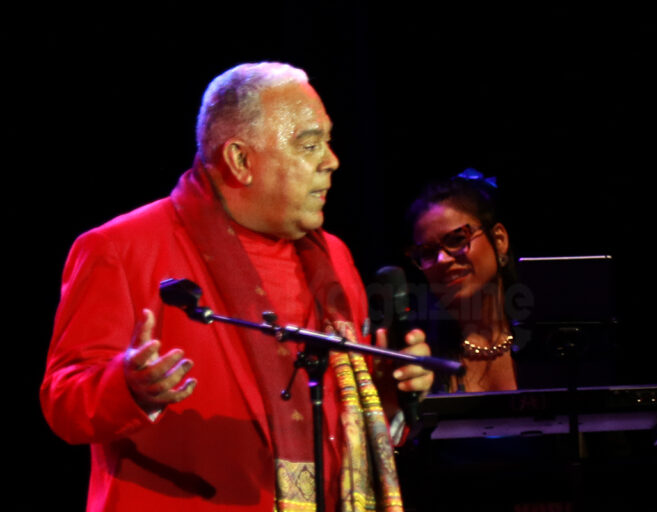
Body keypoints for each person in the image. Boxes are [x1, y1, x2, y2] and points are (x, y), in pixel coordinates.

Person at [40, 62, 433, 512]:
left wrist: (387, 394)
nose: (331, 160)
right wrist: (129, 388)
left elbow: (341, 427)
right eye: (310, 145)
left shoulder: (334, 258)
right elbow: (63, 402)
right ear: (240, 161)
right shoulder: (119, 248)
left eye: (327, 141)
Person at [406, 169, 517, 393]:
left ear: (499, 240)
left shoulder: (545, 335)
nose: (442, 259)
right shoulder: (418, 350)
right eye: (427, 252)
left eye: (457, 239)